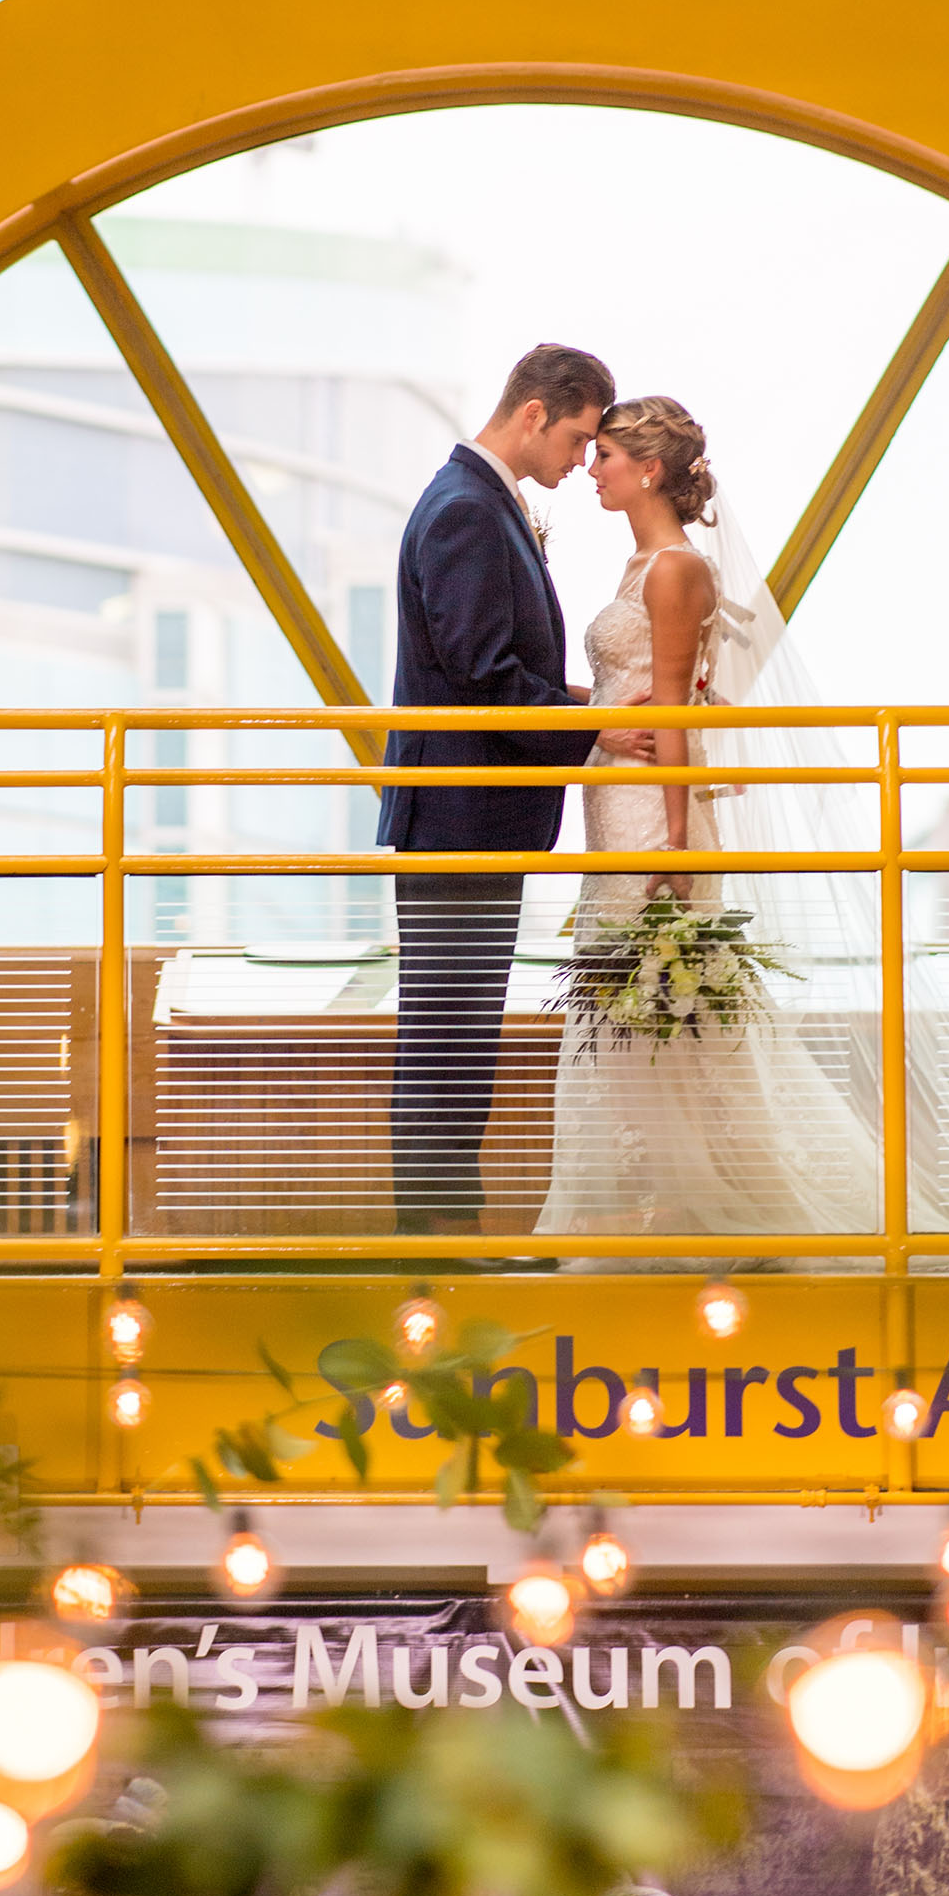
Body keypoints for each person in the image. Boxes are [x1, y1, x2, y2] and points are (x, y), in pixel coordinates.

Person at [536, 394, 949, 1241]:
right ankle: (666, 1206)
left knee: (666, 1009)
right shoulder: (638, 568)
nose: (591, 469)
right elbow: (658, 689)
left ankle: (707, 1214)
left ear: (648, 468)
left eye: (604, 454)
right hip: (614, 800)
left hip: (653, 807)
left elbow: (680, 717)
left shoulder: (678, 568)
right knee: (635, 1006)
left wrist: (679, 842)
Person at [379, 342, 616, 1234]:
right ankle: (436, 1241)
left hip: (467, 817)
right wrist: (595, 727)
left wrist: (583, 701)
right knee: (447, 1041)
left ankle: (448, 1231)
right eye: (578, 437)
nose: (580, 460)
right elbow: (483, 675)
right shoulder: (467, 510)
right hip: (458, 819)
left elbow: (485, 666)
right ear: (533, 415)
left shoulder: (477, 501)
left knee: (460, 1037)